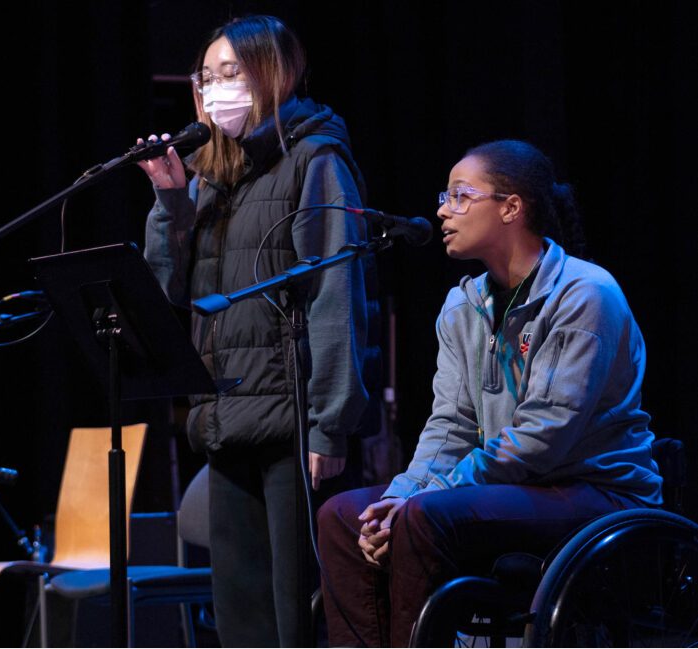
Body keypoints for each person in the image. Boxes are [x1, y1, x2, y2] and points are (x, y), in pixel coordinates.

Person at [317, 139, 662, 647]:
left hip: (593, 490)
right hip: (510, 487)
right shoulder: (463, 305)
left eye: (459, 196)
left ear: (511, 207)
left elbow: (543, 436)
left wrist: (429, 496)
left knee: (424, 516)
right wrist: (399, 495)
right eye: (445, 196)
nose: (441, 210)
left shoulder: (585, 295)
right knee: (344, 517)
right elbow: (450, 426)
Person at [137, 15, 380, 647]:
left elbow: (335, 295)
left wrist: (330, 422)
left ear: (273, 74)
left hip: (295, 425)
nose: (217, 89)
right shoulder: (210, 174)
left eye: (232, 73)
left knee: (297, 614)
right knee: (241, 615)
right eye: (207, 77)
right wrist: (171, 206)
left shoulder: (315, 159)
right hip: (225, 416)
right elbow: (165, 299)